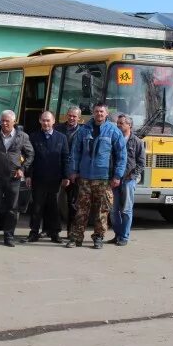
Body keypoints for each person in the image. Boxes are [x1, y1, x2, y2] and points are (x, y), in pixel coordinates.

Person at [67, 102, 126, 249]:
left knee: (102, 210)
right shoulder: (83, 130)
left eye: (102, 112)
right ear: (93, 113)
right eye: (96, 111)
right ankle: (76, 238)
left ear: (106, 114)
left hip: (104, 178)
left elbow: (121, 155)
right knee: (81, 209)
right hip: (85, 177)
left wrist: (117, 176)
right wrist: (73, 171)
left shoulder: (113, 131)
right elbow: (75, 152)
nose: (99, 114)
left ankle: (98, 238)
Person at [0, 109, 34, 247]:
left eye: (7, 121)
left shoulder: (22, 136)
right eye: (2, 120)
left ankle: (9, 237)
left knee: (12, 209)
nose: (4, 123)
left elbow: (30, 155)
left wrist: (22, 169)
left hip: (13, 178)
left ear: (14, 122)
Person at [24, 111, 70, 244]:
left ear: (53, 121)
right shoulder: (33, 137)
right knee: (37, 206)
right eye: (43, 120)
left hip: (55, 178)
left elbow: (65, 158)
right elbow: (29, 158)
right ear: (40, 121)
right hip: (38, 178)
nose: (46, 123)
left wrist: (66, 176)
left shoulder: (61, 138)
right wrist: (28, 175)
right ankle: (33, 232)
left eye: (48, 120)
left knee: (53, 207)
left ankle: (54, 233)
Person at [109, 114, 145, 246]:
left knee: (126, 210)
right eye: (118, 123)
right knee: (113, 210)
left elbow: (141, 163)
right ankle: (117, 235)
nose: (118, 125)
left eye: (121, 123)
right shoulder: (114, 139)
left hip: (128, 181)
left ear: (129, 125)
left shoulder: (137, 142)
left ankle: (124, 237)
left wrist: (132, 176)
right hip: (114, 179)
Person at [54, 106, 82, 239]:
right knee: (51, 201)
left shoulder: (82, 131)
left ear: (79, 118)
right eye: (70, 115)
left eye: (74, 116)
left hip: (73, 172)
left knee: (72, 203)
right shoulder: (58, 128)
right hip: (56, 169)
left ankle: (71, 231)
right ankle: (52, 229)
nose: (71, 118)